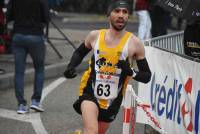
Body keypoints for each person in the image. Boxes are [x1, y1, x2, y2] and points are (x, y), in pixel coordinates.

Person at [64, 0, 151, 133]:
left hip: (113, 100)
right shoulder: (95, 36)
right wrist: (71, 66)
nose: (121, 15)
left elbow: (146, 76)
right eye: (117, 11)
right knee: (92, 130)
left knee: (98, 132)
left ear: (128, 16)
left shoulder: (135, 43)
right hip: (90, 92)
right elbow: (80, 52)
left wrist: (130, 71)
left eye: (125, 12)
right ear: (108, 15)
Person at [6, 0, 49, 114]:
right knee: (39, 69)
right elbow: (46, 17)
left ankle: (21, 104)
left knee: (19, 72)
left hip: (19, 35)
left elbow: (8, 15)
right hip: (36, 35)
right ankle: (35, 101)